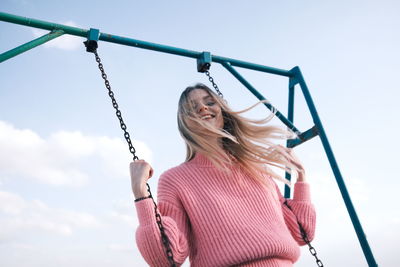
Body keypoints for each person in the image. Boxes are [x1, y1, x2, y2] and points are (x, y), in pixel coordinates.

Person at [130, 83, 316, 267]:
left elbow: (302, 233)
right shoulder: (175, 180)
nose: (203, 107)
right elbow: (166, 258)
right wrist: (141, 194)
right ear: (184, 123)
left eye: (210, 102)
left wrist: (301, 178)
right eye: (192, 108)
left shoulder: (256, 168)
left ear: (223, 112)